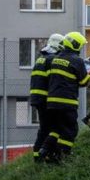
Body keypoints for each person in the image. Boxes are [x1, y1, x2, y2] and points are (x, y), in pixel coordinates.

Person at [38, 32, 89, 163]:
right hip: (67, 102)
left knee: (56, 128)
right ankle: (62, 155)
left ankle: (44, 149)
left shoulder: (55, 59)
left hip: (52, 102)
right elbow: (84, 82)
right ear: (76, 45)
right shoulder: (77, 61)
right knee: (70, 130)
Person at [29, 33, 64, 163]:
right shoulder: (52, 60)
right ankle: (47, 153)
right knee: (55, 127)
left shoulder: (41, 58)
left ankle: (38, 156)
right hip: (46, 99)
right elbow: (54, 80)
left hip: (38, 98)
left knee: (44, 128)